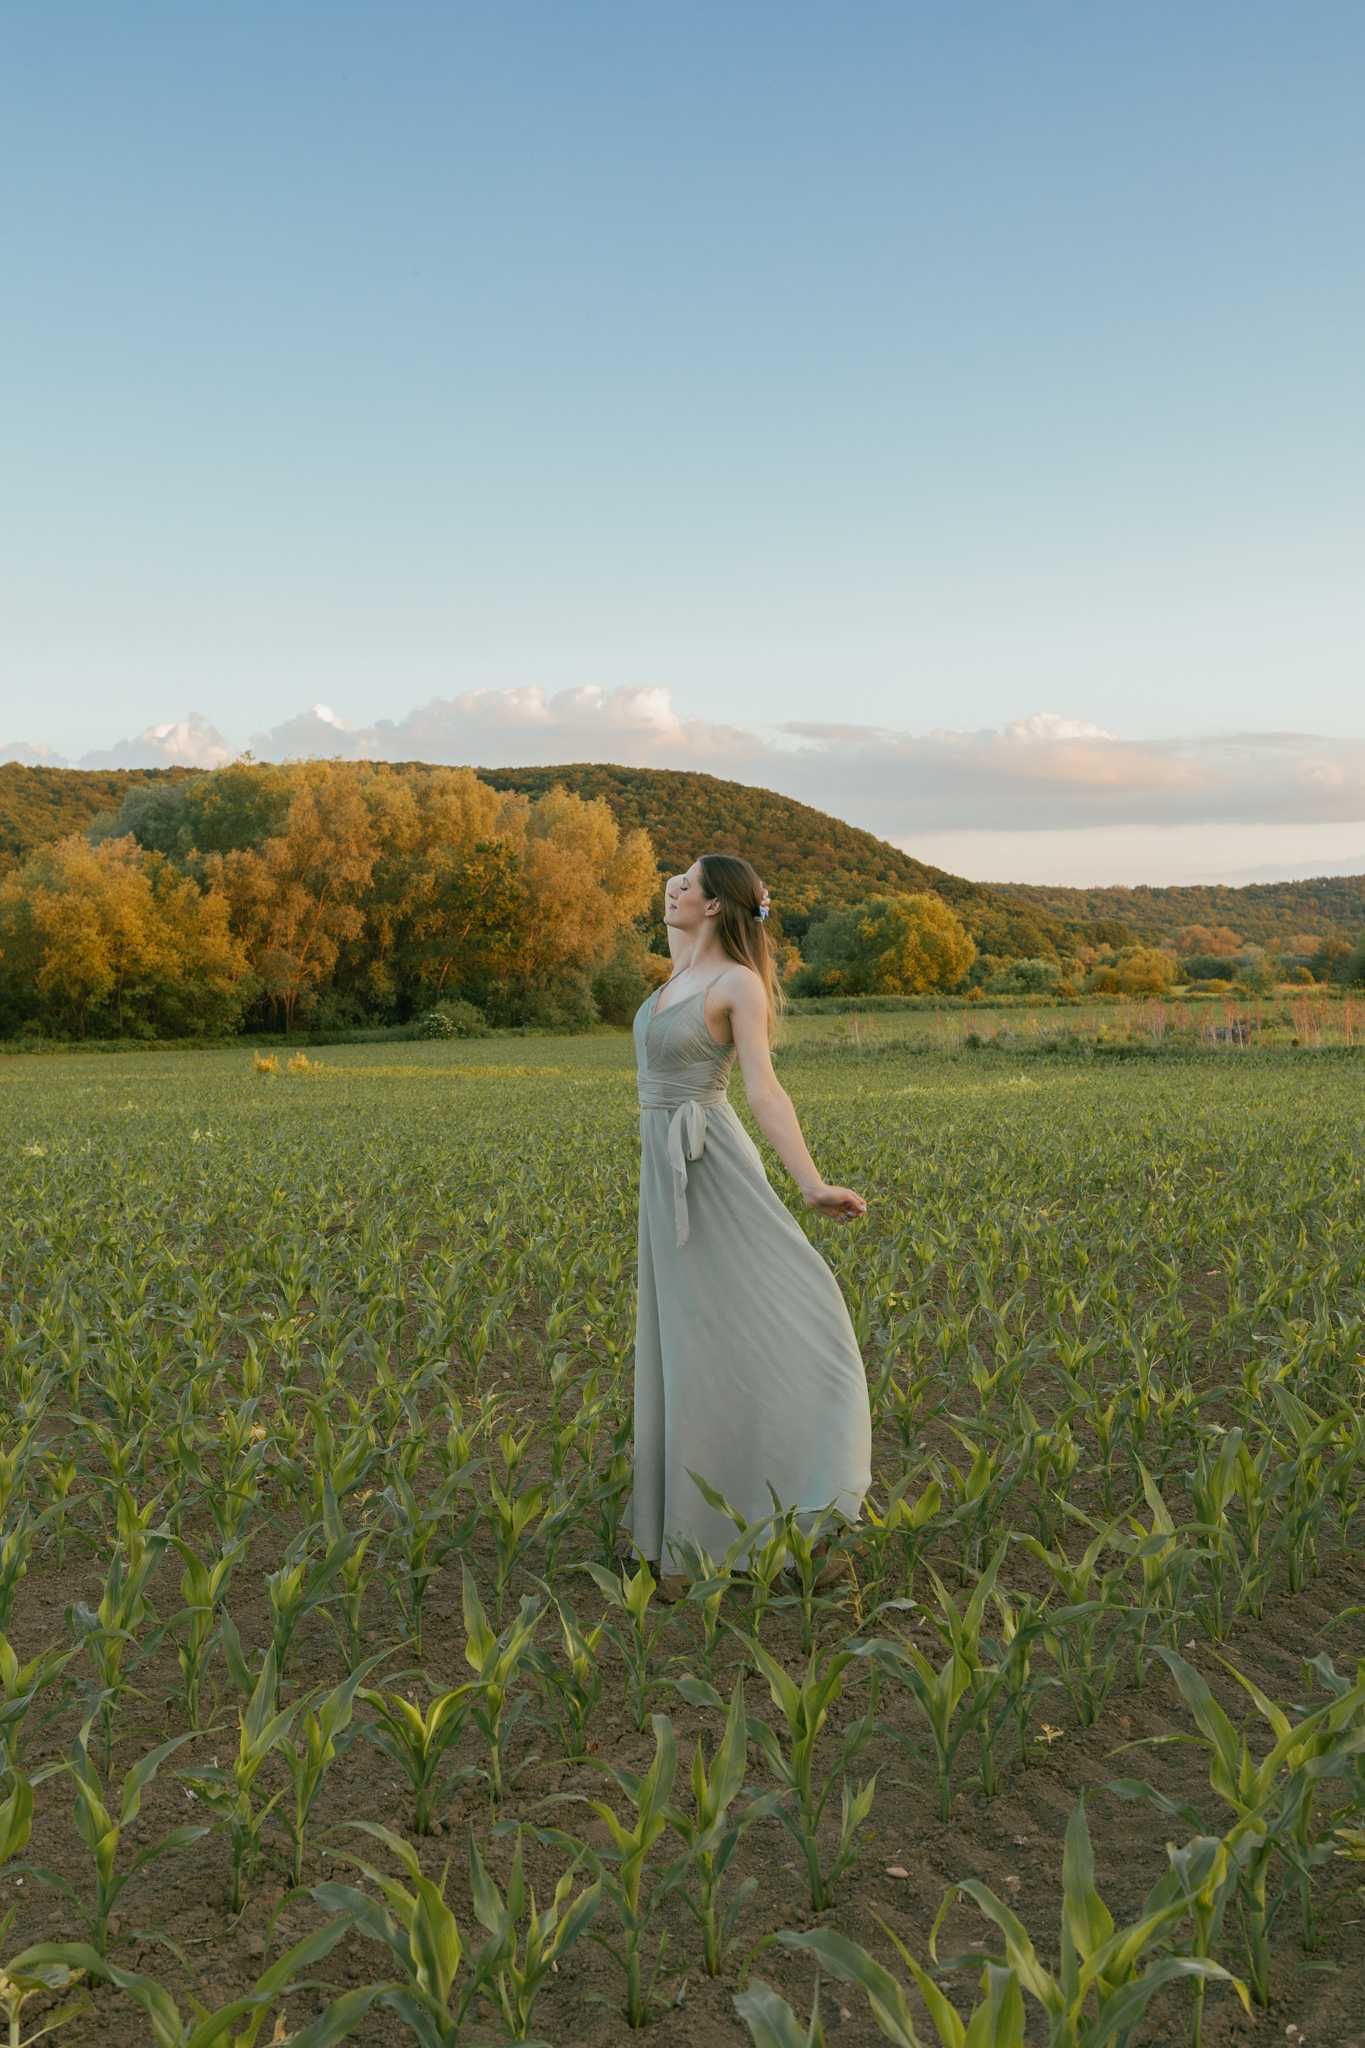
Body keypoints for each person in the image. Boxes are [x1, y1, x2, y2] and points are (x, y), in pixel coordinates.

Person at [620, 853, 873, 1600]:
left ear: (718, 907)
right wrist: (692, 913)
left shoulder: (737, 985)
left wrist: (811, 1184)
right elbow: (684, 936)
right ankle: (686, 1540)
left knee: (786, 1314)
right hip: (664, 1177)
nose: (671, 888)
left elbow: (763, 1091)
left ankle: (809, 1506)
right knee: (690, 1342)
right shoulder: (678, 971)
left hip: (714, 1168)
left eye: (687, 884)